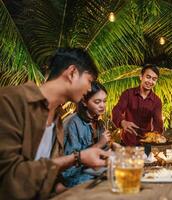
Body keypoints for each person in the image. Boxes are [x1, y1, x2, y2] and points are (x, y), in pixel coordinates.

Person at [0, 48, 110, 199]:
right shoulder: (10, 100)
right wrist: (77, 158)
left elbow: (49, 178)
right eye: (89, 81)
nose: (90, 88)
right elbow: (8, 178)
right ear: (72, 73)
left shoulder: (56, 120)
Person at [63, 81, 120, 187]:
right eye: (97, 102)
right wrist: (100, 144)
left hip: (95, 173)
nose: (102, 106)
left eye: (104, 101)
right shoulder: (72, 123)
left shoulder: (99, 122)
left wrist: (116, 150)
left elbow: (105, 152)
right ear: (84, 102)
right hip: (76, 178)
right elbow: (69, 166)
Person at [112, 64, 163, 149]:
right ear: (141, 77)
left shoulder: (157, 101)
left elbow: (158, 123)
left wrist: (155, 137)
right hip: (126, 143)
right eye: (148, 77)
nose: (150, 81)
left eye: (154, 79)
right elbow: (116, 110)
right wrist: (122, 122)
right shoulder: (128, 94)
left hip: (146, 145)